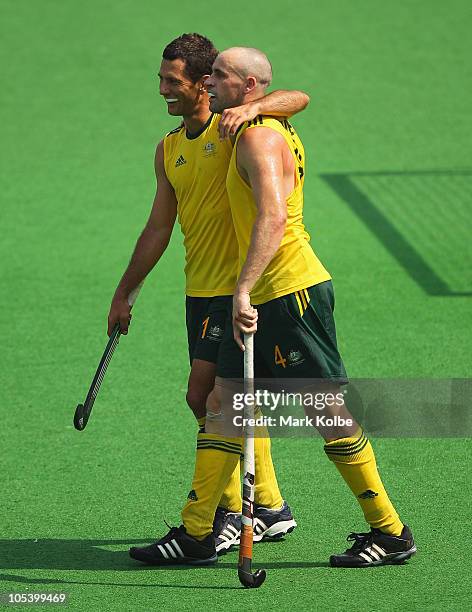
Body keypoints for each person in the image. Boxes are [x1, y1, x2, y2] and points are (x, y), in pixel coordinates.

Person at [163, 46, 417, 568]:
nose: (208, 82)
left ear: (249, 86)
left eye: (220, 76)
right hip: (262, 290)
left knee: (326, 412)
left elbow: (273, 219)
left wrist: (242, 288)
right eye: (207, 75)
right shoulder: (259, 119)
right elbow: (295, 95)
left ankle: (390, 532)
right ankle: (197, 532)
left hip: (288, 291)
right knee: (222, 404)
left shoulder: (257, 136)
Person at [107, 33, 306, 564]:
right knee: (215, 403)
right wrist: (126, 290)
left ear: (204, 84)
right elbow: (158, 226)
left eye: (173, 81)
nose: (163, 89)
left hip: (236, 289)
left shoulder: (235, 128)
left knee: (210, 400)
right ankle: (265, 505)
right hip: (199, 289)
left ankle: (213, 524)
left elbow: (297, 98)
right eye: (162, 79)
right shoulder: (170, 149)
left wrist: (257, 105)